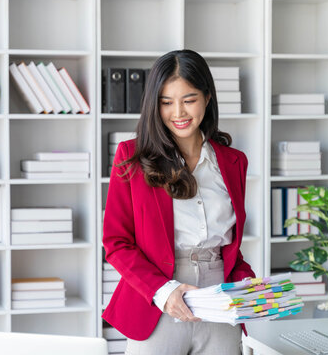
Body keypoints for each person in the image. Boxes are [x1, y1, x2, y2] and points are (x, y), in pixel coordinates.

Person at [102, 49, 255, 355]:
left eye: (189, 99)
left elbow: (229, 247)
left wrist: (248, 284)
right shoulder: (132, 158)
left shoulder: (233, 161)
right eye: (166, 102)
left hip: (220, 303)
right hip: (158, 299)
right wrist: (163, 291)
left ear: (207, 98)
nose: (179, 113)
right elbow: (116, 242)